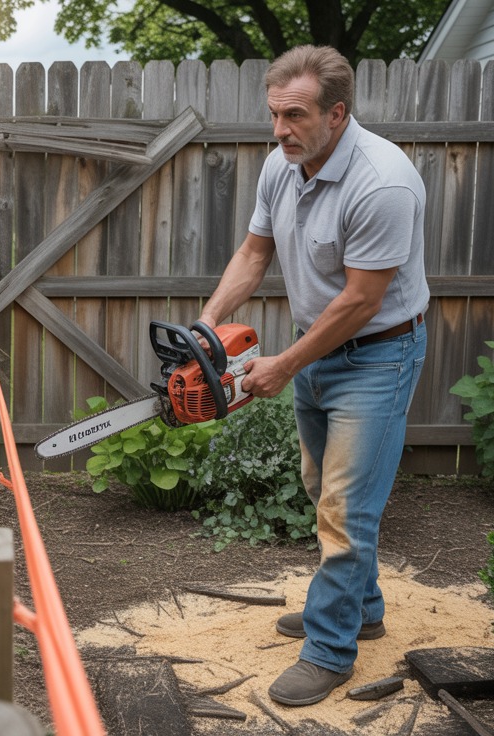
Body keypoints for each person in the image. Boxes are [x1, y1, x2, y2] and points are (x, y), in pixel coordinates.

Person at [197, 45, 430, 707]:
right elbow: (254, 250)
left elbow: (360, 301)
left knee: (344, 510)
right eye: (274, 115)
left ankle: (330, 650)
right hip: (320, 348)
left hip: (379, 355)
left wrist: (284, 365)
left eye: (293, 115)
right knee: (317, 483)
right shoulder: (283, 165)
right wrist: (210, 322)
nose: (279, 130)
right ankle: (364, 607)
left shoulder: (381, 181)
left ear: (336, 112)